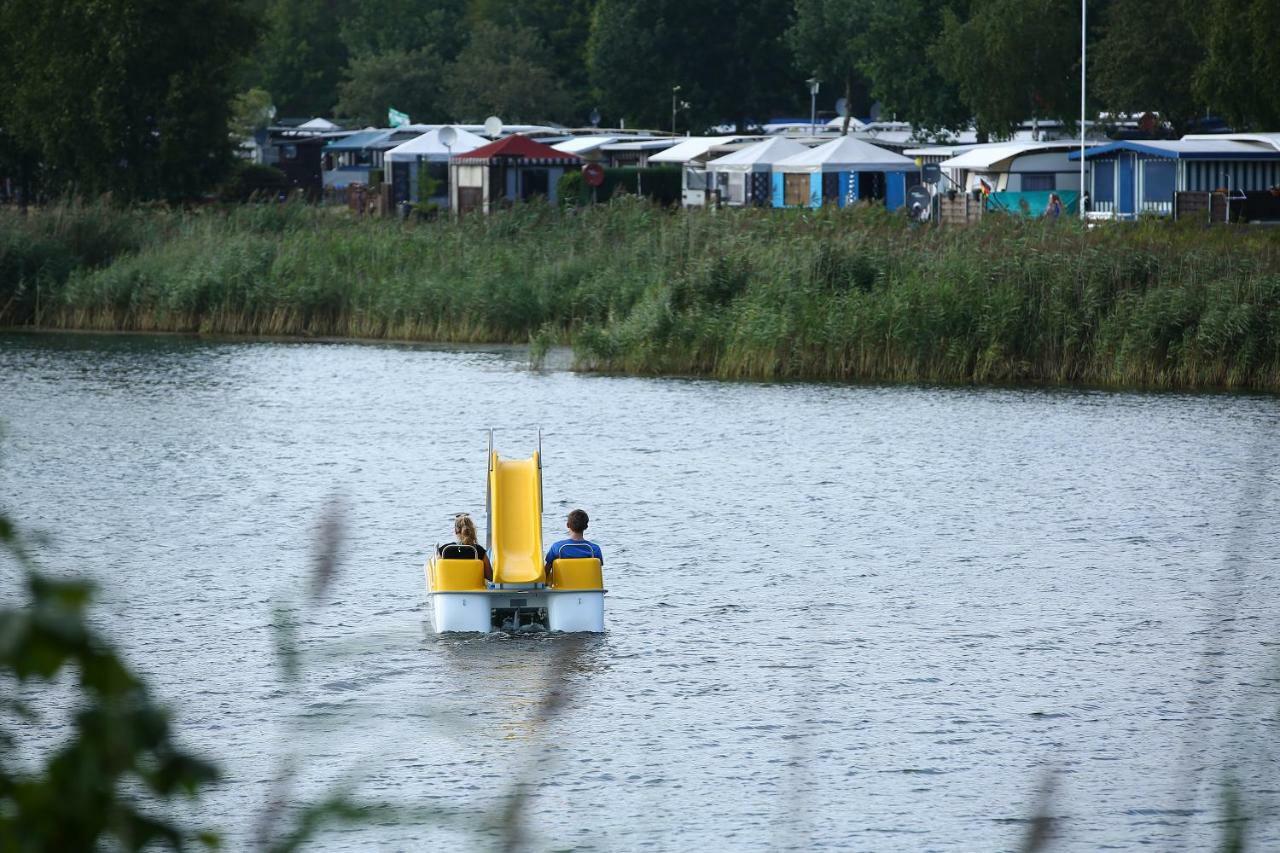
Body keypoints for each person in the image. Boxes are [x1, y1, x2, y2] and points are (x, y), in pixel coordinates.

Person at [544, 509, 603, 581]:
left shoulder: (557, 547)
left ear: (568, 525)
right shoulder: (594, 549)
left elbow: (546, 571)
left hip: (563, 586)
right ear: (586, 526)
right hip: (588, 586)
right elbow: (597, 571)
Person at [438, 513, 492, 581]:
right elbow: (490, 576)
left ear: (456, 531)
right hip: (473, 587)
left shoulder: (445, 550)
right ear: (472, 530)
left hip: (449, 587)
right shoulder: (479, 551)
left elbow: (438, 572)